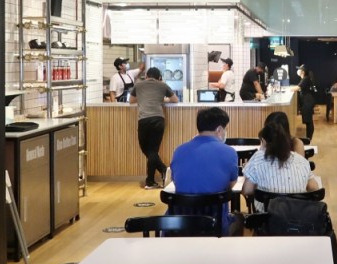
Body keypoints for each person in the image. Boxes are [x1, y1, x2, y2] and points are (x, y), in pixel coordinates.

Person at [169, 107, 241, 235]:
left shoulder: (179, 150)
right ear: (219, 130)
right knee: (239, 218)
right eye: (225, 129)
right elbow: (230, 185)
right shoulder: (229, 152)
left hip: (181, 225)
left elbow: (176, 181)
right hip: (216, 224)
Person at [242, 122, 318, 212]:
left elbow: (247, 190)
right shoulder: (301, 161)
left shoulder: (258, 158)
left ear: (264, 142)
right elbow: (314, 188)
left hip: (266, 220)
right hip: (297, 218)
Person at [130, 67, 179, 189]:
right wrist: (162, 99)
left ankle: (151, 181)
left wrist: (143, 98)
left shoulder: (139, 85)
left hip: (144, 120)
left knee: (147, 150)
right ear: (159, 77)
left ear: (146, 76)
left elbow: (131, 100)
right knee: (152, 151)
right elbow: (175, 99)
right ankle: (163, 170)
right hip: (158, 119)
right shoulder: (162, 85)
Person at [295, 64, 317, 143]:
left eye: (299, 70)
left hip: (307, 101)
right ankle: (308, 138)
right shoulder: (305, 78)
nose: (298, 71)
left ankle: (309, 138)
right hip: (307, 101)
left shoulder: (305, 79)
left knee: (309, 120)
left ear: (303, 72)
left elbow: (297, 88)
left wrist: (290, 89)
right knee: (308, 120)